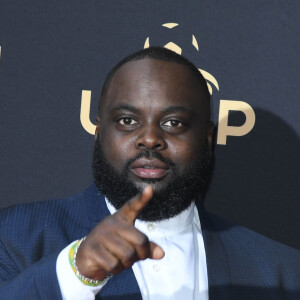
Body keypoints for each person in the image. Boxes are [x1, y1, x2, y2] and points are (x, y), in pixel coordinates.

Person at [0, 47, 299, 300]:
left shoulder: (279, 271)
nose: (150, 138)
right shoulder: (16, 237)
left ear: (207, 139)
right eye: (128, 120)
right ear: (98, 133)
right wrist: (76, 273)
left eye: (174, 123)